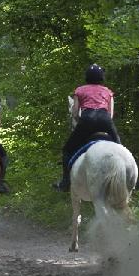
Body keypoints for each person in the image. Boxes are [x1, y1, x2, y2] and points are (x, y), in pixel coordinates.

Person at [52, 64, 121, 192]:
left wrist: (81, 123)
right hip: (105, 121)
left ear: (87, 77)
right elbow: (110, 114)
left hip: (87, 119)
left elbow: (74, 113)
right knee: (121, 149)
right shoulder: (108, 91)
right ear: (101, 78)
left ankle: (66, 182)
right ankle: (129, 180)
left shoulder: (79, 90)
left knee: (67, 150)